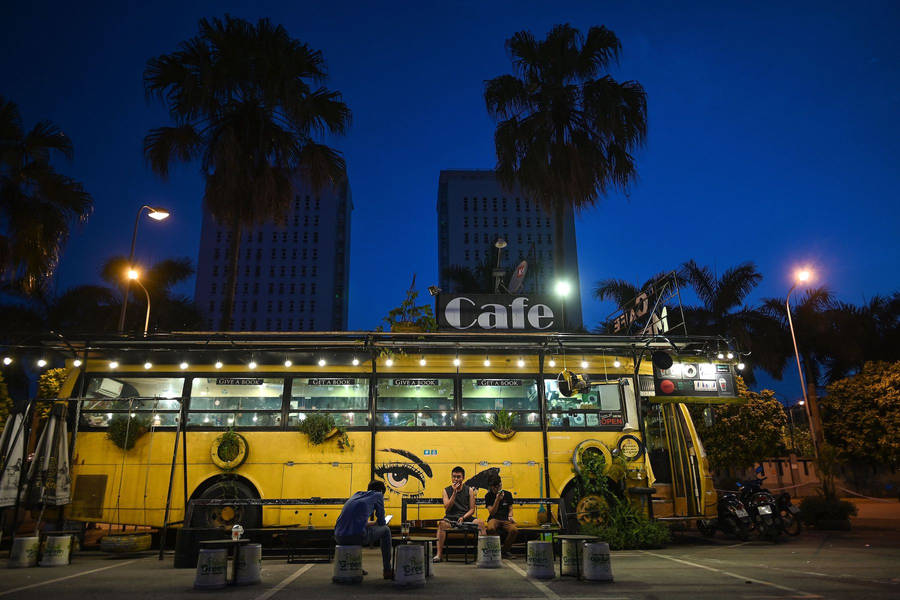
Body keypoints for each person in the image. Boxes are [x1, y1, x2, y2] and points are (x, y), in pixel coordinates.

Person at [334, 480, 393, 579]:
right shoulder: (378, 495)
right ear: (381, 491)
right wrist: (381, 522)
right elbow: (382, 522)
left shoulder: (356, 495)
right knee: (386, 530)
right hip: (355, 537)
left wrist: (374, 523)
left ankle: (355, 567)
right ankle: (387, 570)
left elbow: (357, 522)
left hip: (338, 536)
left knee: (360, 530)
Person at [435, 466, 486, 562]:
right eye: (454, 477)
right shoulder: (446, 490)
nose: (456, 479)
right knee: (441, 524)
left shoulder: (469, 490)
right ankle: (439, 555)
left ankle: (483, 555)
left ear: (463, 478)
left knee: (481, 523)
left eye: (458, 477)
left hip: (466, 517)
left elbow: (472, 509)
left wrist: (463, 517)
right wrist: (454, 493)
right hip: (451, 518)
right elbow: (447, 508)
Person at [484, 474, 518, 558]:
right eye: (495, 487)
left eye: (499, 486)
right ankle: (497, 549)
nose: (498, 489)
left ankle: (504, 551)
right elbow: (492, 512)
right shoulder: (488, 496)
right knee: (490, 528)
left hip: (505, 519)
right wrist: (497, 500)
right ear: (491, 487)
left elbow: (510, 508)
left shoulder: (508, 494)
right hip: (494, 518)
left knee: (514, 530)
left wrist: (510, 515)